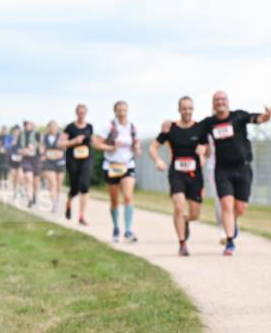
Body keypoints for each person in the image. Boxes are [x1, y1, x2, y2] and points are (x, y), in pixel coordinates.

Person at [198, 91, 271, 256]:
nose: (220, 102)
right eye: (216, 100)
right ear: (213, 104)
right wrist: (201, 151)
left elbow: (257, 119)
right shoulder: (209, 123)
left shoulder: (238, 116)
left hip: (243, 168)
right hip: (222, 169)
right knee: (226, 205)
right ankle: (230, 241)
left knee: (240, 207)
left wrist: (267, 115)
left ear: (228, 102)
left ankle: (232, 222)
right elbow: (200, 140)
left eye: (223, 99)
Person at [149, 96, 207, 256]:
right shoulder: (170, 128)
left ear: (193, 109)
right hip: (176, 174)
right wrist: (158, 160)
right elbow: (153, 147)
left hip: (195, 175)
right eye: (184, 108)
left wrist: (204, 152)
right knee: (179, 206)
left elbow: (207, 148)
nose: (187, 111)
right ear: (179, 110)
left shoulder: (199, 128)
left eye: (189, 108)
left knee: (195, 214)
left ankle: (186, 221)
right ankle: (182, 243)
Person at [94, 101, 141, 243]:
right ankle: (116, 227)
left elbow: (136, 142)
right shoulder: (109, 127)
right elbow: (96, 144)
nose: (122, 113)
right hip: (111, 166)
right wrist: (111, 147)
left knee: (128, 196)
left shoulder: (132, 127)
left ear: (127, 111)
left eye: (124, 110)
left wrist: (137, 148)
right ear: (115, 112)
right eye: (119, 110)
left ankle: (128, 230)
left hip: (128, 165)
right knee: (114, 200)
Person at [61, 104, 94, 225]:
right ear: (76, 113)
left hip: (87, 159)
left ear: (86, 113)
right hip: (73, 159)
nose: (81, 114)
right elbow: (61, 143)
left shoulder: (90, 127)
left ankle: (81, 216)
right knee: (74, 187)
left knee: (84, 186)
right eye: (79, 112)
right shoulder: (70, 127)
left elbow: (92, 141)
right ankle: (69, 204)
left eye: (83, 112)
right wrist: (74, 141)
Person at [41, 120, 66, 213]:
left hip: (60, 162)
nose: (53, 128)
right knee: (53, 183)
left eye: (55, 126)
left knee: (59, 185)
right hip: (49, 162)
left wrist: (62, 148)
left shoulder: (62, 136)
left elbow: (66, 146)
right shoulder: (44, 137)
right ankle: (54, 203)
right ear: (49, 128)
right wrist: (42, 153)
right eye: (51, 126)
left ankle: (57, 199)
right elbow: (41, 149)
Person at [18, 121, 42, 207]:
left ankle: (34, 195)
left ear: (32, 125)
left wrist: (35, 147)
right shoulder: (21, 135)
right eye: (25, 125)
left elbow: (41, 145)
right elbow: (18, 148)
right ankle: (30, 199)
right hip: (26, 159)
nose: (27, 126)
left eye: (29, 124)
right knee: (29, 179)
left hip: (36, 159)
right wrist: (22, 151)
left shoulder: (37, 134)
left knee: (36, 182)